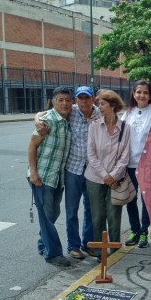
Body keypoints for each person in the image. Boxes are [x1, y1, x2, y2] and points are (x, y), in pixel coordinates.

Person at [34, 86, 100, 260]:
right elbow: (45, 113)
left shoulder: (100, 113)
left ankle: (89, 243)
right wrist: (37, 120)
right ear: (76, 100)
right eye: (80, 98)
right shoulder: (71, 111)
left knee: (91, 209)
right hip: (73, 169)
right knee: (72, 209)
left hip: (93, 170)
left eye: (87, 98)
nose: (84, 101)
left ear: (93, 99)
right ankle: (74, 246)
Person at [27, 86, 72, 267]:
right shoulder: (48, 121)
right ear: (53, 101)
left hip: (57, 178)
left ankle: (42, 244)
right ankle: (53, 253)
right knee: (46, 216)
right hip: (42, 177)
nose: (64, 103)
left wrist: (37, 115)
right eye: (60, 100)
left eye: (67, 100)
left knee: (53, 213)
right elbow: (32, 146)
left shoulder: (66, 120)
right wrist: (34, 173)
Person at [85, 89, 130, 256]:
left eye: (102, 104)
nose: (99, 107)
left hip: (116, 179)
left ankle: (114, 248)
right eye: (99, 104)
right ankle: (99, 251)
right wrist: (105, 175)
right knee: (97, 216)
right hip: (95, 178)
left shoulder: (125, 128)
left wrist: (113, 176)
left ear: (112, 105)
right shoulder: (94, 126)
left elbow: (125, 157)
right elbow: (91, 154)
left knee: (114, 215)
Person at [122, 80, 151, 249]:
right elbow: (121, 135)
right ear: (133, 93)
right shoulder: (128, 112)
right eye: (139, 92)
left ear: (150, 95)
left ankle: (144, 232)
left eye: (145, 93)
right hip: (129, 164)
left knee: (146, 200)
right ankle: (134, 230)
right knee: (131, 199)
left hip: (147, 165)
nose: (142, 95)